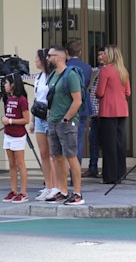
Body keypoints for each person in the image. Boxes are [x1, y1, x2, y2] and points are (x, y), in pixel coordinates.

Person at [44, 45, 85, 205]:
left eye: (50, 55)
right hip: (53, 121)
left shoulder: (71, 75)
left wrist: (66, 119)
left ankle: (77, 193)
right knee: (57, 157)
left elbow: (77, 100)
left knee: (71, 156)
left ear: (59, 57)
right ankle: (62, 190)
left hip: (66, 122)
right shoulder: (53, 75)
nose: (47, 58)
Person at [96, 45, 131, 184]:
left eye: (104, 54)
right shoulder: (123, 71)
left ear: (110, 55)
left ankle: (109, 176)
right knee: (120, 144)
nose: (102, 56)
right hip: (122, 110)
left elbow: (100, 92)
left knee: (108, 145)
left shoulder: (105, 70)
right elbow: (128, 92)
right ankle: (120, 174)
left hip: (108, 110)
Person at [29, 48, 58, 201]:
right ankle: (48, 186)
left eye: (37, 58)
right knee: (43, 154)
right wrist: (32, 120)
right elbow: (36, 99)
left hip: (50, 116)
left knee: (53, 155)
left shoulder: (53, 76)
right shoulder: (38, 77)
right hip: (39, 116)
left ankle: (55, 187)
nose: (35, 60)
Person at [64, 39, 95, 178]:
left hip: (67, 106)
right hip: (83, 106)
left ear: (66, 52)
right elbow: (87, 84)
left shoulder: (64, 66)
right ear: (80, 52)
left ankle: (63, 174)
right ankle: (75, 175)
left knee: (64, 140)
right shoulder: (87, 67)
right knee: (79, 140)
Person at [0, 73, 31, 203]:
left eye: (6, 83)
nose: (4, 85)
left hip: (18, 135)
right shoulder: (8, 98)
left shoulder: (22, 99)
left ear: (13, 85)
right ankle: (13, 190)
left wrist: (10, 121)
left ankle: (23, 192)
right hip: (8, 134)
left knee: (20, 164)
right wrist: (4, 119)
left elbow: (26, 119)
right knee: (11, 164)